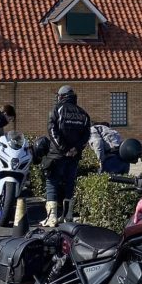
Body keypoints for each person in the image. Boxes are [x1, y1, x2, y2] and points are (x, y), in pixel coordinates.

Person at [42, 86, 91, 227]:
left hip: (57, 155)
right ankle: (68, 216)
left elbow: (52, 131)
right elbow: (86, 135)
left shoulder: (56, 110)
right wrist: (76, 149)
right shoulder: (83, 114)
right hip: (74, 156)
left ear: (62, 96)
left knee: (52, 182)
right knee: (70, 183)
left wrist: (64, 149)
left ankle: (52, 218)